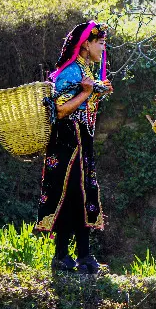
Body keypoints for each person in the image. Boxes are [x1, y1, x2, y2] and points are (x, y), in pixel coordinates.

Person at [36, 21, 113, 274]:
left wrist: (96, 93)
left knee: (81, 194)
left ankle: (81, 256)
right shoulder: (71, 72)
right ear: (86, 44)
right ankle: (67, 255)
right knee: (71, 194)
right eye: (100, 43)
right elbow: (59, 110)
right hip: (68, 139)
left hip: (82, 138)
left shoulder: (85, 71)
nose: (103, 48)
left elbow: (86, 101)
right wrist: (86, 94)